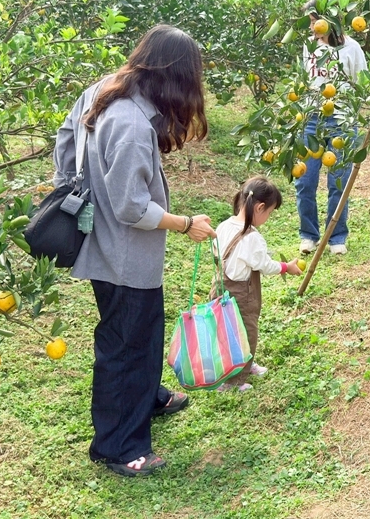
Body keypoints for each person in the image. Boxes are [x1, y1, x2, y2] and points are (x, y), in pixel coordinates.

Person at [52, 24, 218, 478]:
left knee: (137, 333)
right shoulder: (128, 123)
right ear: (175, 77)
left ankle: (148, 397)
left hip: (106, 245)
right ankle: (118, 446)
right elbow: (130, 208)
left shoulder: (103, 90)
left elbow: (65, 141)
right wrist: (185, 224)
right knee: (125, 344)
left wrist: (76, 186)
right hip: (124, 254)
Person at [211, 176, 303, 392]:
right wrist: (285, 267)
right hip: (242, 293)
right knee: (246, 331)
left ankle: (244, 364)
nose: (268, 218)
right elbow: (264, 265)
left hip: (219, 287)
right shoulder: (252, 237)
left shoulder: (224, 225)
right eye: (269, 213)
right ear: (260, 207)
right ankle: (233, 382)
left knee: (227, 333)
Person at [296, 0, 367, 255]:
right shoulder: (309, 46)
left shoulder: (352, 48)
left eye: (315, 21)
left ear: (330, 20)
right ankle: (308, 234)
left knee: (338, 181)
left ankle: (336, 237)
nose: (312, 27)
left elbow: (362, 84)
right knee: (305, 179)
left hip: (341, 121)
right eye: (310, 22)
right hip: (312, 118)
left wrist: (348, 112)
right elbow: (306, 79)